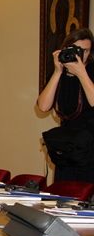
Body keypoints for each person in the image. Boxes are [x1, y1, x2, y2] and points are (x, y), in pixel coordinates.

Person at [37, 27, 94, 183]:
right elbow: (43, 107)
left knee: (86, 194)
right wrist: (57, 72)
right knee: (63, 191)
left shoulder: (91, 71)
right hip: (67, 147)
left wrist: (82, 73)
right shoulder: (59, 73)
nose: (81, 54)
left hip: (89, 148)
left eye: (85, 51)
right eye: (75, 49)